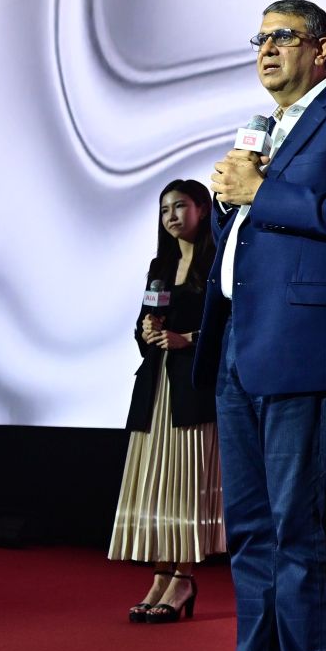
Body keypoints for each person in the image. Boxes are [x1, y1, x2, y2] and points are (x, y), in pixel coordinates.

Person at [154, 0, 326, 651]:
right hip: (236, 345)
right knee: (253, 534)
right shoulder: (258, 133)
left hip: (302, 350)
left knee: (298, 531)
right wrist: (236, 198)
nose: (266, 49)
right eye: (259, 38)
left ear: (321, 50)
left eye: (283, 36)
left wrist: (262, 190)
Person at [108, 179, 226, 621]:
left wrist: (187, 339)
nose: (171, 217)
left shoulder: (218, 260)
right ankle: (160, 575)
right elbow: (147, 322)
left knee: (185, 487)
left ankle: (183, 578)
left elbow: (230, 326)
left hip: (193, 391)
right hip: (155, 388)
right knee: (155, 484)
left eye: (179, 206)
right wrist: (146, 331)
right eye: (164, 210)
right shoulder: (161, 265)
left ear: (202, 208)